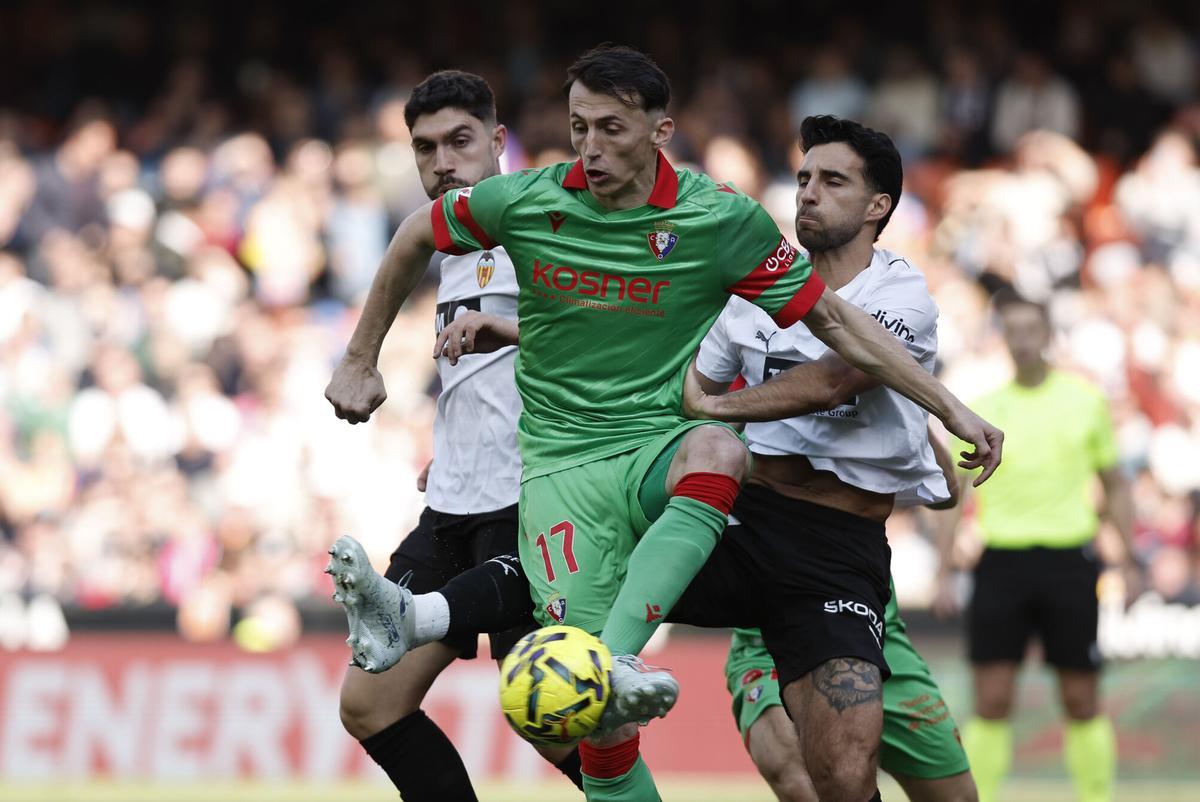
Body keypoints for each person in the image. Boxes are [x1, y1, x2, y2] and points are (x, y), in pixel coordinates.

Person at [326, 45, 1002, 802]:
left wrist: (950, 409)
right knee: (587, 727)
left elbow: (839, 339)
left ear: (660, 129)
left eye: (612, 127)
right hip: (564, 477)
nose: (591, 146)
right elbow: (424, 234)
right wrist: (361, 357)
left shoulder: (721, 223)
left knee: (713, 451)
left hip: (671, 468)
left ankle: (557, 644)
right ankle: (573, 665)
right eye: (580, 126)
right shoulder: (523, 205)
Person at [673, 115, 975, 802]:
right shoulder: (753, 291)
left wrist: (719, 411)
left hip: (843, 557)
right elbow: (685, 383)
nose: (806, 192)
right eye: (803, 177)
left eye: (831, 180)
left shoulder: (902, 296)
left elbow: (835, 378)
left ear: (879, 208)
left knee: (880, 782)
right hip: (750, 527)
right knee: (799, 777)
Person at [330, 70, 581, 802]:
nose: (443, 161)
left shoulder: (549, 220)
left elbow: (598, 334)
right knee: (369, 705)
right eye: (425, 147)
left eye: (460, 141)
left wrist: (358, 357)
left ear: (499, 142)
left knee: (549, 716)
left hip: (529, 496)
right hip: (452, 502)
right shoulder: (452, 244)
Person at [931, 292, 1135, 802]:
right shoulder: (985, 408)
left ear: (1048, 336)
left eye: (1031, 330)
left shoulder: (1085, 400)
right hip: (1001, 561)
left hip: (1070, 559)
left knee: (1081, 698)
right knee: (992, 700)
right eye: (1013, 330)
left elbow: (1115, 484)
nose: (1022, 340)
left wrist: (1127, 558)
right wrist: (941, 567)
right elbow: (957, 496)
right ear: (1004, 337)